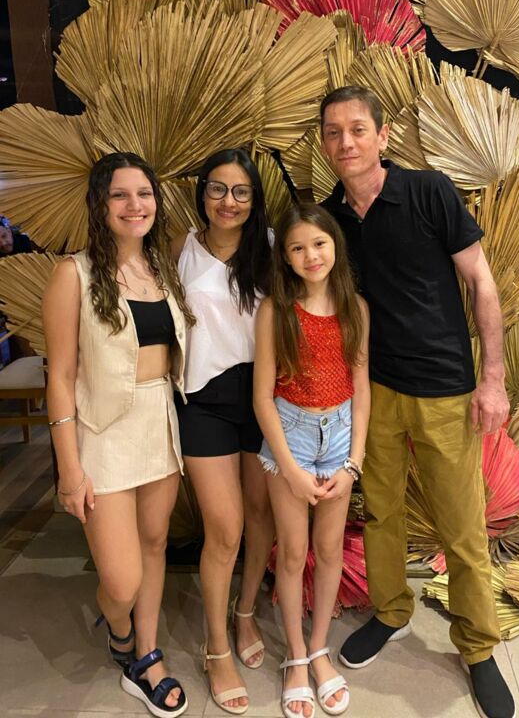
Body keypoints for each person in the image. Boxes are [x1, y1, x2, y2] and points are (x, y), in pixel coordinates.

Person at [320, 86, 515, 718]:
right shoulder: (330, 219)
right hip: (373, 391)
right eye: (333, 132)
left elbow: (481, 281)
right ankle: (390, 611)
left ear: (381, 136)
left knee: (462, 526)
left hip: (445, 389)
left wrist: (493, 378)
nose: (346, 142)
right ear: (323, 143)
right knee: (380, 512)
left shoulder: (429, 192)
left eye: (357, 129)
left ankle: (478, 647)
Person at [42, 152, 193, 718]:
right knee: (121, 579)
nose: (135, 205)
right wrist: (69, 469)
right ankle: (120, 628)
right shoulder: (74, 274)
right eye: (121, 195)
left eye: (144, 193)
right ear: (100, 205)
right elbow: (60, 377)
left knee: (155, 545)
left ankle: (146, 656)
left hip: (160, 423)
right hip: (102, 432)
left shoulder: (162, 269)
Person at [254, 202, 370, 718]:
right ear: (285, 256)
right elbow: (262, 397)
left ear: (335, 245)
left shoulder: (355, 309)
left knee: (328, 550)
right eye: (297, 247)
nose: (310, 255)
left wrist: (353, 463)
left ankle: (319, 647)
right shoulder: (275, 311)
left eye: (319, 243)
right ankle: (296, 656)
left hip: (340, 437)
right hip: (291, 437)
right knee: (293, 551)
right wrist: (290, 469)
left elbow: (361, 387)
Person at [172, 148, 274, 715]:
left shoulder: (273, 249)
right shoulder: (180, 250)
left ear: (254, 199)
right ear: (202, 192)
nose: (228, 201)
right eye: (217, 188)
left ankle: (245, 611)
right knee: (226, 529)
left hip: (264, 400)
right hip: (203, 402)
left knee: (261, 518)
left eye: (240, 191)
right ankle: (216, 647)